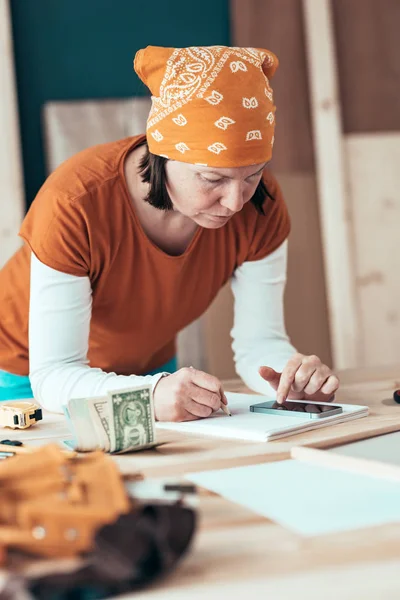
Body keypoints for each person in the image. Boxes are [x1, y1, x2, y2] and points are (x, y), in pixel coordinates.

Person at [0, 45, 339, 420]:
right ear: (162, 155)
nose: (235, 202)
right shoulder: (74, 203)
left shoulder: (261, 204)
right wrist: (151, 392)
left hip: (150, 373)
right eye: (213, 178)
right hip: (22, 374)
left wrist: (289, 376)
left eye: (253, 174)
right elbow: (54, 376)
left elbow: (259, 344)